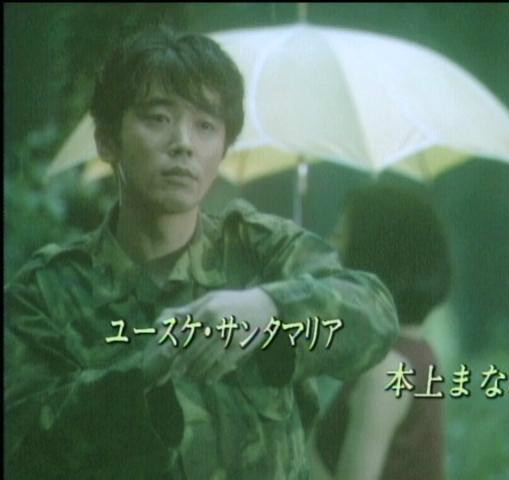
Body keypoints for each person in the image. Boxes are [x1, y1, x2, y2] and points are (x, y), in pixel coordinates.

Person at [4, 27, 399, 479]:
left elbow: (375, 314)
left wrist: (270, 308)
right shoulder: (47, 291)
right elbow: (22, 442)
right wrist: (144, 371)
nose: (184, 143)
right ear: (107, 140)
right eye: (158, 118)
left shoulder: (263, 252)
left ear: (223, 149)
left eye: (206, 126)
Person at [312, 184, 452, 480]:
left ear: (371, 253)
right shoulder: (419, 353)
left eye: (340, 235)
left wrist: (298, 436)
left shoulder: (385, 371)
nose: (330, 246)